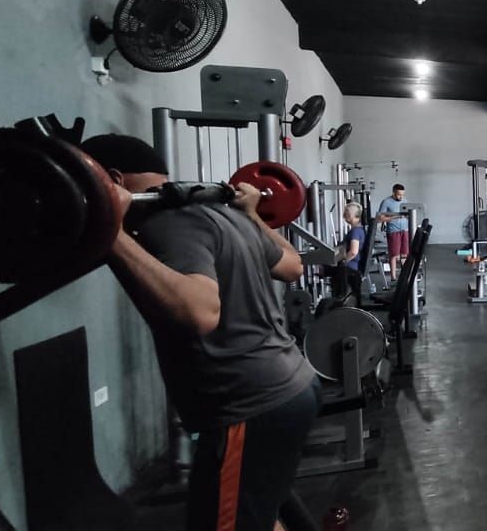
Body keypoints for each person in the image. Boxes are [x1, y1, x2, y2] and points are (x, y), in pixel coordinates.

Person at [80, 134, 319, 531]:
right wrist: (253, 214)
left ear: (114, 181)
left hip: (250, 404)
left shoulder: (166, 224)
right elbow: (292, 265)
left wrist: (112, 232)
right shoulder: (225, 214)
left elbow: (199, 312)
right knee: (259, 512)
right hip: (291, 386)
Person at [333, 201, 367, 301]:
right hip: (353, 266)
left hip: (350, 267)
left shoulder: (355, 232)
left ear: (352, 215)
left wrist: (341, 261)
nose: (344, 215)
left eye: (346, 212)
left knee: (324, 268)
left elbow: (353, 252)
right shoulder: (358, 230)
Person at [376, 183, 409, 283]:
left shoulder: (405, 201)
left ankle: (405, 275)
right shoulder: (386, 202)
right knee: (394, 255)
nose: (401, 197)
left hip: (405, 230)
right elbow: (380, 218)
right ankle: (393, 277)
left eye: (402, 194)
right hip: (393, 231)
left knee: (404, 254)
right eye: (399, 194)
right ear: (393, 192)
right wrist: (395, 217)